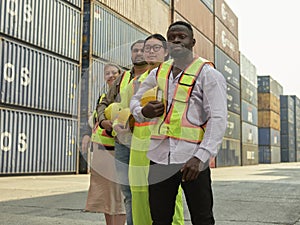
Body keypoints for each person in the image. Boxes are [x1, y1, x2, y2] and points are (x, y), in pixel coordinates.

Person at [130, 21, 227, 225]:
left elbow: (218, 119)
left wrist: (201, 156)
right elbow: (135, 99)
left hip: (191, 160)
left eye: (181, 36)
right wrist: (141, 112)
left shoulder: (208, 74)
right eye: (171, 37)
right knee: (160, 219)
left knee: (202, 218)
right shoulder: (159, 73)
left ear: (192, 41)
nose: (176, 40)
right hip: (159, 157)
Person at [113, 34, 184, 225]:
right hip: (138, 147)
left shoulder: (176, 78)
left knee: (169, 197)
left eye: (156, 48)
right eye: (147, 48)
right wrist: (120, 123)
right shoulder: (134, 83)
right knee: (139, 196)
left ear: (166, 52)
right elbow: (122, 110)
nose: (150, 52)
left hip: (164, 146)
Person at [96, 40, 149, 225]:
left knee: (150, 191)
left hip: (146, 143)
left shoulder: (157, 74)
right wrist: (104, 121)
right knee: (128, 192)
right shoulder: (122, 78)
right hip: (123, 143)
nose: (139, 53)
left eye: (143, 50)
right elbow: (103, 102)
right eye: (135, 50)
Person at [84, 63, 126, 225]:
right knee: (105, 198)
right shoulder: (102, 98)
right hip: (100, 154)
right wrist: (87, 136)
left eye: (114, 72)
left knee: (118, 196)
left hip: (116, 151)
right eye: (107, 73)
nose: (111, 75)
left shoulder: (124, 95)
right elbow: (94, 123)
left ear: (120, 74)